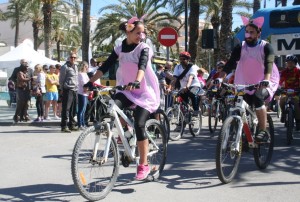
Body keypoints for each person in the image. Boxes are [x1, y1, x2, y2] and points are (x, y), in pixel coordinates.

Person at [85, 17, 160, 180]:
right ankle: (127, 135)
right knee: (113, 107)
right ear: (128, 31)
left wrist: (137, 81)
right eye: (138, 32)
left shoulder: (144, 48)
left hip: (144, 92)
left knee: (140, 124)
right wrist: (90, 82)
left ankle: (144, 165)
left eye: (143, 33)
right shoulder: (119, 48)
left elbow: (142, 65)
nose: (141, 35)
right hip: (126, 90)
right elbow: (105, 66)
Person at [221, 16, 279, 142]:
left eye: (252, 32)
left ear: (259, 33)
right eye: (247, 32)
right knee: (238, 101)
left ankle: (263, 131)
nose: (248, 35)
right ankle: (243, 130)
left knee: (258, 98)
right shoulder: (240, 47)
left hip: (266, 79)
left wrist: (266, 80)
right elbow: (230, 63)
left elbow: (269, 63)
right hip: (245, 81)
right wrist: (221, 78)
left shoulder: (266, 47)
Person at [171, 51, 201, 118]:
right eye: (180, 59)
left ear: (188, 59)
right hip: (183, 87)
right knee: (182, 102)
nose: (182, 61)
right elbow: (175, 79)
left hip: (194, 85)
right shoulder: (177, 67)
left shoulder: (193, 67)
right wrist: (170, 87)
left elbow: (190, 78)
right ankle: (182, 121)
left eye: (184, 59)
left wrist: (187, 86)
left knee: (192, 94)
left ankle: (196, 112)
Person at [279, 55, 300, 130]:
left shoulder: (298, 71)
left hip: (296, 91)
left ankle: (298, 122)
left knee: (297, 104)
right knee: (281, 101)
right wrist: (278, 88)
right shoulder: (284, 72)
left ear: (295, 63)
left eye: (291, 63)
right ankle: (283, 114)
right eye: (288, 63)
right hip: (286, 91)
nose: (289, 64)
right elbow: (280, 81)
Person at [59, 52, 79, 133]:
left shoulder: (76, 67)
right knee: (66, 109)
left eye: (74, 57)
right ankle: (64, 125)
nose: (73, 59)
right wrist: (62, 89)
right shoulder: (65, 67)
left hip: (75, 89)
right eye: (71, 57)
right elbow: (61, 79)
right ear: (69, 58)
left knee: (73, 109)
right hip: (68, 89)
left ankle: (72, 124)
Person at [77, 61, 89, 130]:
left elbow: (89, 81)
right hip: (82, 93)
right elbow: (83, 83)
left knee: (84, 109)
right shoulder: (80, 74)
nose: (87, 68)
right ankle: (80, 124)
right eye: (86, 67)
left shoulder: (85, 74)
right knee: (81, 109)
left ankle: (83, 123)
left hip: (86, 93)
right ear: (84, 67)